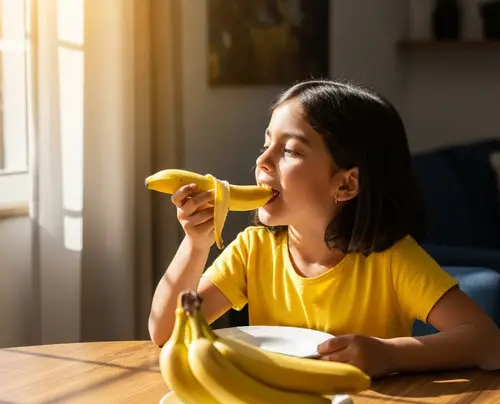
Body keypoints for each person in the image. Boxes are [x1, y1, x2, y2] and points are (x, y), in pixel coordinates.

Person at [149, 79, 500, 377]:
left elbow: (487, 342)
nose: (262, 161)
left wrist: (389, 354)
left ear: (346, 185)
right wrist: (195, 245)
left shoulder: (392, 260)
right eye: (265, 143)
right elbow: (166, 334)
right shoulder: (252, 250)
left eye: (289, 150)